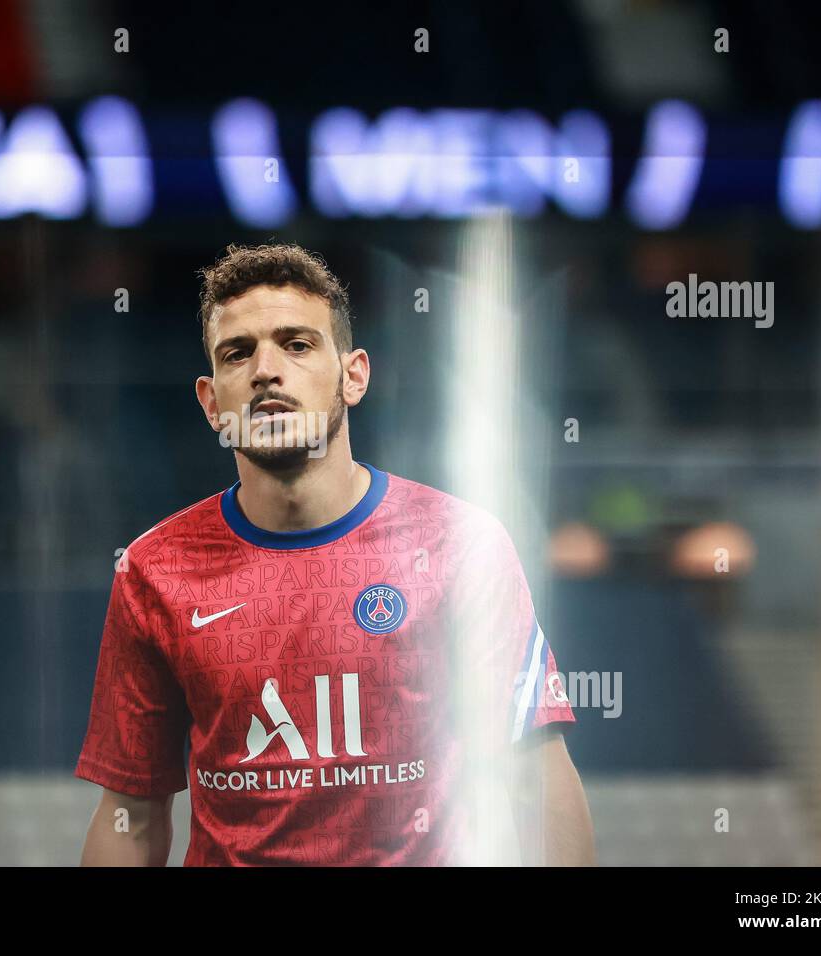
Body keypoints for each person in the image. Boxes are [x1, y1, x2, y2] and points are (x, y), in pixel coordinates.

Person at [76, 242, 595, 866]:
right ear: (213, 403)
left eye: (296, 344)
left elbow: (533, 774)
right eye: (238, 353)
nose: (266, 369)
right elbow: (131, 815)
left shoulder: (461, 544)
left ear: (354, 375)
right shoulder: (154, 572)